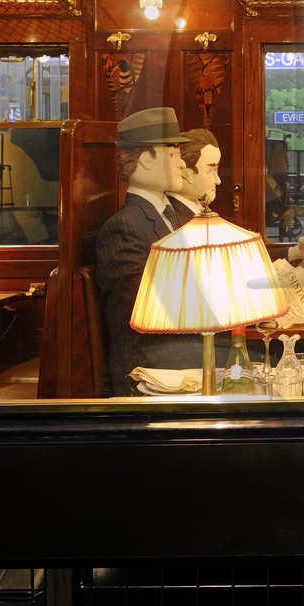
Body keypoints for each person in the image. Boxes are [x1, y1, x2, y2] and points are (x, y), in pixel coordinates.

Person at [95, 107, 205, 395]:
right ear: (145, 161)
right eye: (173, 154)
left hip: (179, 344)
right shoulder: (123, 227)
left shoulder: (173, 215)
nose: (182, 164)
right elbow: (147, 313)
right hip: (148, 361)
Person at [167, 127, 221, 227]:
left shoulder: (196, 210)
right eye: (210, 170)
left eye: (216, 170)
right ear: (186, 174)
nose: (218, 181)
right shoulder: (173, 219)